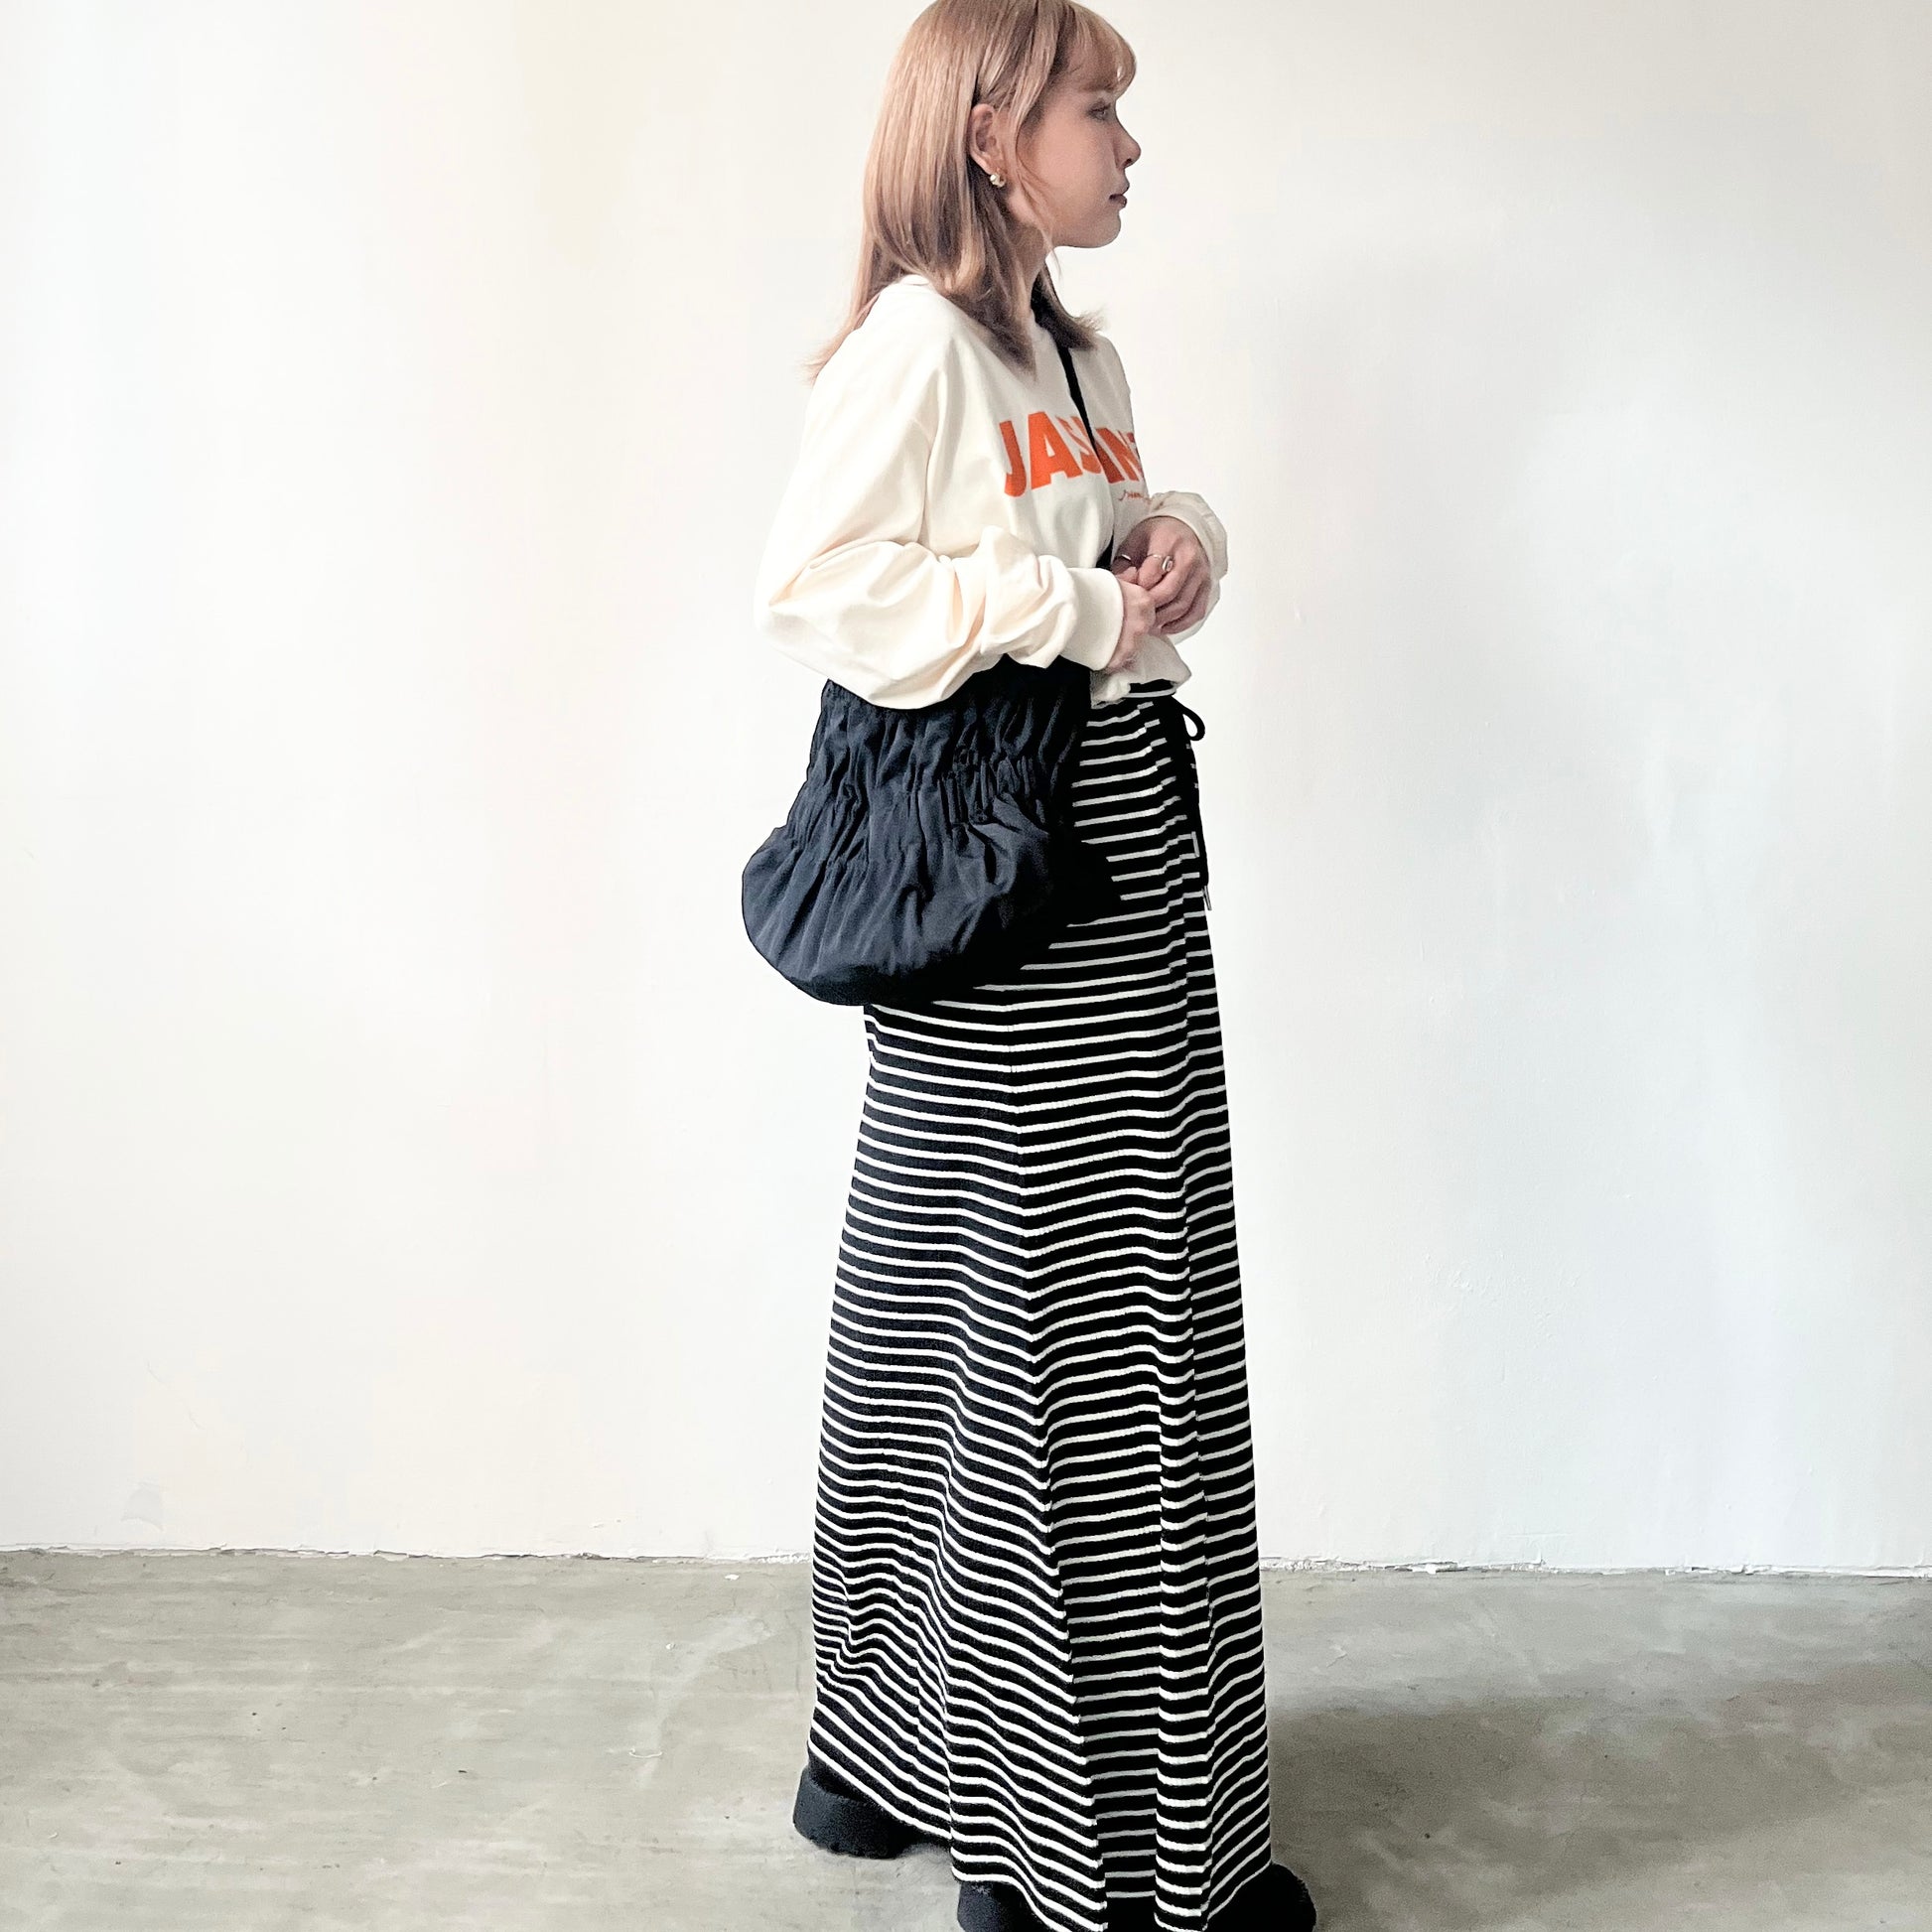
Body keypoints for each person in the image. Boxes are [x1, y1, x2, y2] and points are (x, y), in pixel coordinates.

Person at [751, 5, 1317, 1929]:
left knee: (1060, 1309)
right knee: (1038, 1327)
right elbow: (817, 585)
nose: (1127, 146)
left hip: (1115, 842)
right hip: (1016, 879)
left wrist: (1173, 541)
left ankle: (911, 1754)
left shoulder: (1075, 352)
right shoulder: (917, 342)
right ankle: (1059, 1845)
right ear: (992, 133)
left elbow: (1086, 539)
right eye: (1098, 109)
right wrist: (1074, 601)